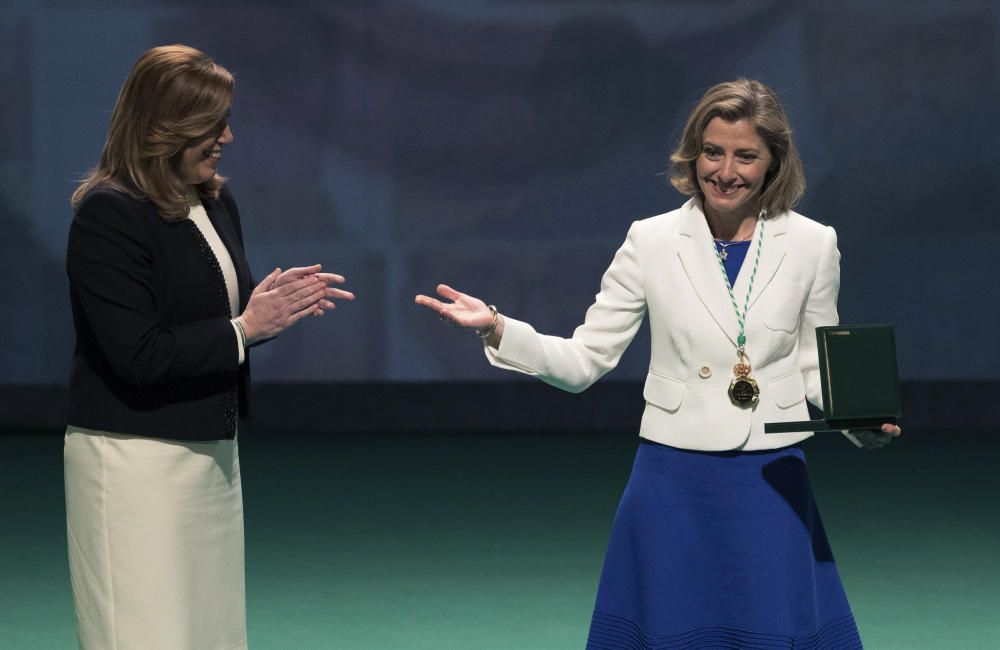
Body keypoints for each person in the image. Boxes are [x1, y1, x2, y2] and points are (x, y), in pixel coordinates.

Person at [416, 79, 900, 648]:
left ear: (773, 163)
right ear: (693, 154)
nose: (725, 171)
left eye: (746, 156)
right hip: (673, 477)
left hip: (772, 478)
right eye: (713, 152)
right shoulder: (650, 240)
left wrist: (860, 421)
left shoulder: (814, 243)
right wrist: (499, 326)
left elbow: (813, 361)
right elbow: (585, 359)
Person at [64, 44, 354, 649]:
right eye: (210, 124)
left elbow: (224, 328)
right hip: (134, 466)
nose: (227, 135)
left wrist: (263, 318)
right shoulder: (107, 216)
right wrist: (246, 328)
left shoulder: (216, 203)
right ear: (164, 127)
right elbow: (139, 354)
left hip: (212, 462)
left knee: (211, 636)